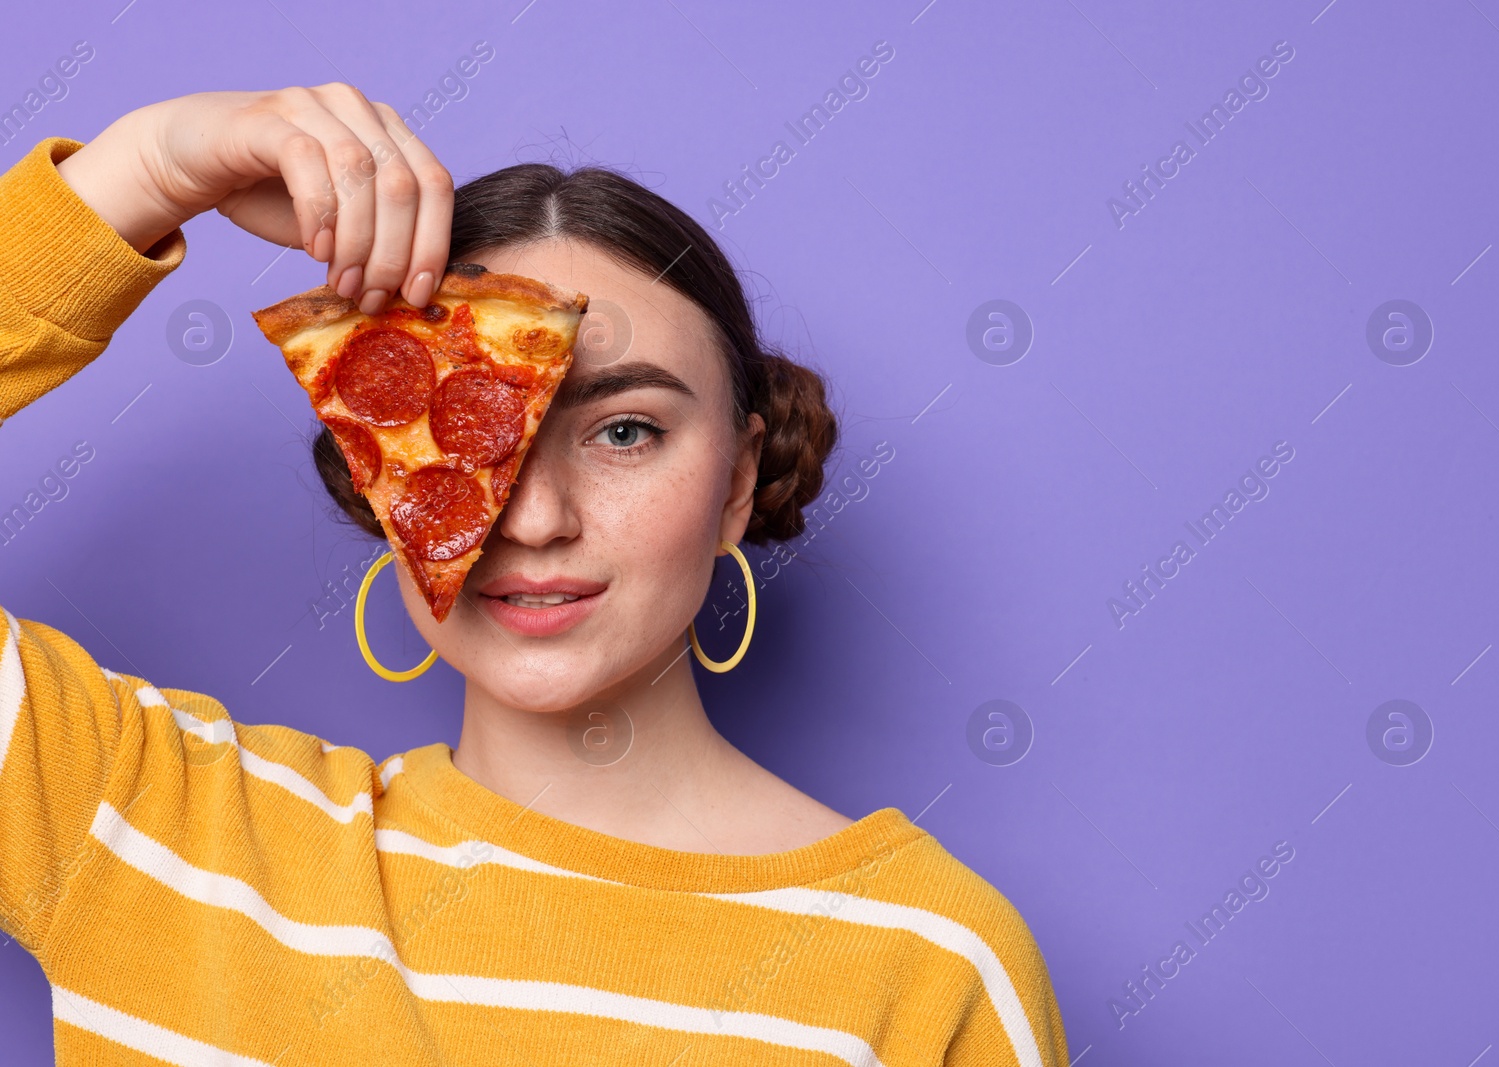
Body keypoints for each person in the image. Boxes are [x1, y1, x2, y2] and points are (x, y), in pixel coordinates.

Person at [0, 83, 1069, 1065]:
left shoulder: (930, 965)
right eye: (465, 430)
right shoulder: (146, 831)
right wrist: (145, 170)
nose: (536, 518)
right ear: (376, 469)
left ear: (738, 479)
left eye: (626, 431)